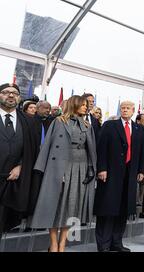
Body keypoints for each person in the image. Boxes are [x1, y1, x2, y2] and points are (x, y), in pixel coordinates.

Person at [30, 95, 97, 252]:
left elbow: (91, 150)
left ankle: (62, 244)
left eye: (87, 105)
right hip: (59, 167)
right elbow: (47, 144)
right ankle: (53, 244)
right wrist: (42, 168)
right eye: (83, 104)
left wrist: (90, 169)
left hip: (80, 168)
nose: (86, 107)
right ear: (74, 104)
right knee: (55, 205)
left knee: (72, 207)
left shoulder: (87, 125)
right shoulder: (59, 121)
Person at [94, 101, 144, 252]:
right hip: (110, 174)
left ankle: (116, 243)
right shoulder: (110, 125)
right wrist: (102, 168)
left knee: (123, 209)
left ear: (133, 111)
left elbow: (143, 152)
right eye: (122, 108)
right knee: (108, 209)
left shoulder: (139, 129)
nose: (125, 110)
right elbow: (101, 147)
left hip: (130, 175)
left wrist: (141, 170)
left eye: (128, 108)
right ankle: (103, 245)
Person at [0, 83, 39, 237]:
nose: (10, 95)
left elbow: (33, 150)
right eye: (5, 92)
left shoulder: (29, 121)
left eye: (15, 93)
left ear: (19, 98)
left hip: (13, 182)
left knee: (3, 222)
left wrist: (22, 166)